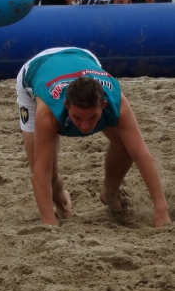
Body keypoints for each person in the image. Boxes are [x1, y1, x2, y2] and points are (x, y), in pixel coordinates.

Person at [16, 47, 171, 228]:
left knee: (126, 144)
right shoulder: (47, 113)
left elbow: (142, 155)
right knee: (44, 172)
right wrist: (49, 224)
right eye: (77, 118)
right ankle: (61, 201)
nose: (85, 126)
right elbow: (40, 174)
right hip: (34, 71)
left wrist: (161, 211)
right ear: (66, 106)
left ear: (103, 105)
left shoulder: (116, 102)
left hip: (83, 57)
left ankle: (110, 193)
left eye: (93, 117)